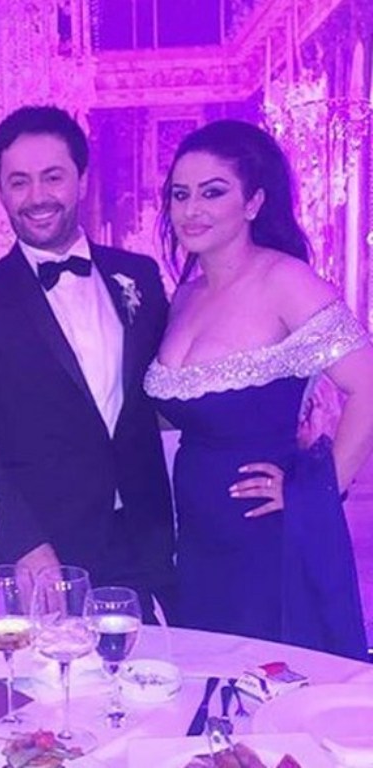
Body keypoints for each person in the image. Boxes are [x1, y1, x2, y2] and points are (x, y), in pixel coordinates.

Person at [145, 119, 373, 656]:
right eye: (180, 194)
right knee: (208, 673)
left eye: (212, 192)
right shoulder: (185, 295)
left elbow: (368, 385)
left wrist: (317, 488)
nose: (191, 209)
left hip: (266, 529)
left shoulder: (285, 280)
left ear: (253, 203)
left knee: (272, 675)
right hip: (197, 534)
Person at [0, 106, 175, 617]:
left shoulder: (138, 276)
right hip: (45, 547)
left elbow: (174, 383)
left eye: (53, 177)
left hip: (146, 532)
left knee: (155, 662)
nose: (37, 197)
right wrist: (24, 542)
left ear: (81, 180)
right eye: (18, 182)